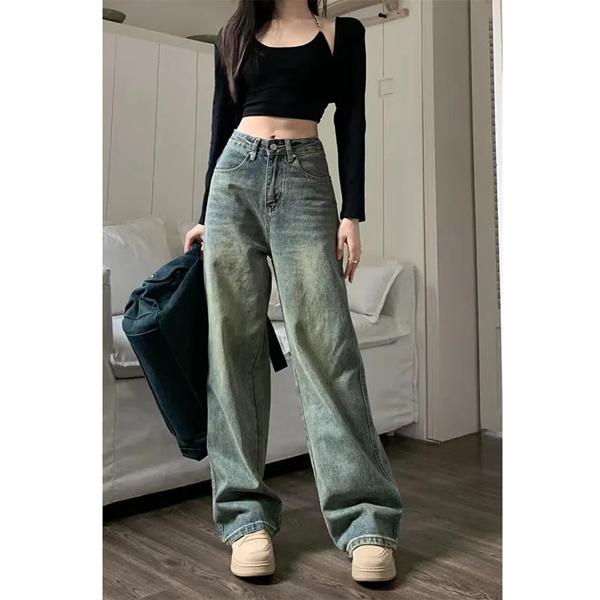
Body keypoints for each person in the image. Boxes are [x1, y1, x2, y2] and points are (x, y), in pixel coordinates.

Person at [184, 0, 403, 583]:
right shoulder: (235, 34)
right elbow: (222, 120)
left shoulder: (342, 33)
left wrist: (352, 212)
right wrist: (205, 213)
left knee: (327, 346)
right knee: (232, 348)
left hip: (306, 178)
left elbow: (351, 119)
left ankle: (366, 520)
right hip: (234, 180)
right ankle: (245, 519)